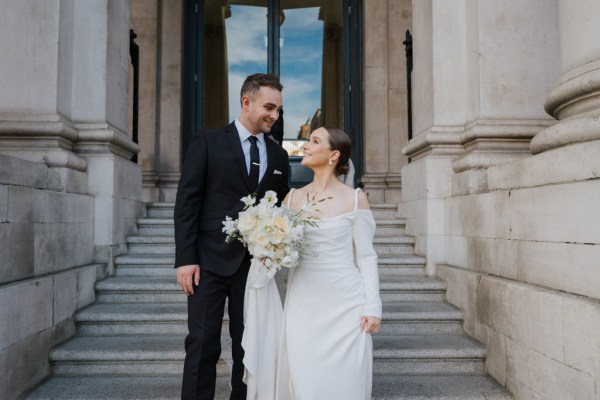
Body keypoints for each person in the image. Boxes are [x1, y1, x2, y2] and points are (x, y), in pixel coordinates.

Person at [174, 73, 290, 400]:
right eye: (269, 107)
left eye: (279, 110)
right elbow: (187, 203)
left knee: (248, 345)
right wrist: (185, 259)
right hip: (208, 263)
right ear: (246, 101)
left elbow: (279, 207)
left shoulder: (279, 156)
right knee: (202, 342)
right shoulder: (208, 141)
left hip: (253, 267)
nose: (274, 116)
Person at [276, 127, 382, 399]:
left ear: (333, 155)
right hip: (303, 302)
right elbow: (281, 248)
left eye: (314, 141)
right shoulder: (292, 198)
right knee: (305, 377)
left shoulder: (355, 199)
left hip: (345, 303)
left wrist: (373, 306)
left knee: (345, 379)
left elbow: (366, 257)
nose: (305, 146)